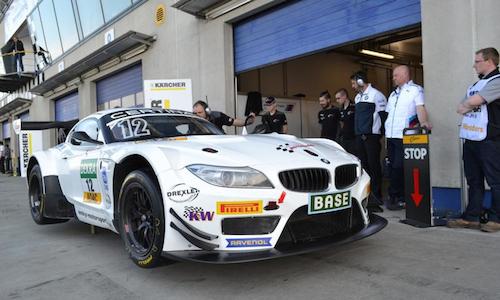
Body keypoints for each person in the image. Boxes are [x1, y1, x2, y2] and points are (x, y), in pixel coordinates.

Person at [449, 47, 500, 233]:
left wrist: (470, 103)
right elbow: (460, 108)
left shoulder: (497, 81)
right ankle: (472, 216)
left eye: (477, 61)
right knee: (474, 180)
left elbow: (471, 103)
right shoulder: (474, 86)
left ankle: (496, 219)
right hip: (471, 138)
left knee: (495, 181)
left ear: (489, 61)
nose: (474, 65)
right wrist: (470, 103)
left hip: (490, 140)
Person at [384, 65, 432, 210]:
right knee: (392, 166)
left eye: (395, 75)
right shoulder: (393, 94)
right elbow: (388, 114)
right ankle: (395, 196)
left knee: (400, 166)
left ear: (405, 75)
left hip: (404, 135)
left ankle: (399, 196)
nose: (393, 78)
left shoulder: (415, 90)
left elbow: (420, 107)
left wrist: (423, 123)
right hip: (391, 136)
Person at [351, 71, 387, 213]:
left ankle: (377, 196)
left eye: (354, 83)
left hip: (371, 136)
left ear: (360, 81)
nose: (353, 86)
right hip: (360, 136)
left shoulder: (376, 95)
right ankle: (367, 195)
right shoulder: (358, 97)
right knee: (364, 167)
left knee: (374, 166)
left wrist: (381, 135)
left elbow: (383, 116)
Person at [335, 88, 356, 155]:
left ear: (344, 96)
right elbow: (341, 124)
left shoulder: (354, 106)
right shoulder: (340, 109)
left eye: (338, 98)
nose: (337, 100)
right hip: (344, 139)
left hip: (354, 138)